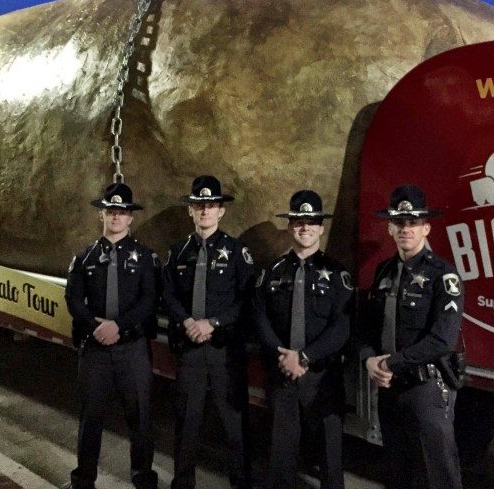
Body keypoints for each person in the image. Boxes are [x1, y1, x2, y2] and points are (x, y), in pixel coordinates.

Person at [359, 184, 465, 489]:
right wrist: (368, 361)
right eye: (400, 223)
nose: (406, 229)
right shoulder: (383, 272)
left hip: (426, 389)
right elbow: (366, 327)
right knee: (397, 469)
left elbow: (442, 340)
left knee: (437, 472)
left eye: (414, 223)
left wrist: (391, 363)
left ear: (426, 228)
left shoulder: (442, 275)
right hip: (389, 388)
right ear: (391, 228)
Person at [254, 190, 352, 489]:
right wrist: (283, 356)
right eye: (298, 221)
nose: (305, 227)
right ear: (289, 226)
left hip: (322, 376)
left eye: (312, 222)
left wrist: (305, 357)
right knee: (280, 453)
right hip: (282, 373)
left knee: (329, 455)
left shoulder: (337, 274)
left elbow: (342, 326)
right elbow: (260, 318)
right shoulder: (270, 272)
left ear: (321, 227)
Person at [64, 182, 159, 489]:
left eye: (122, 212)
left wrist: (120, 327)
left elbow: (149, 301)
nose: (116, 217)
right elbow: (74, 300)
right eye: (111, 211)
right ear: (102, 216)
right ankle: (84, 479)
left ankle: (143, 477)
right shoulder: (85, 257)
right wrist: (95, 327)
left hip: (131, 349)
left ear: (131, 218)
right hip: (95, 350)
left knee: (140, 419)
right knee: (90, 418)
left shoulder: (145, 257)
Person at [162, 175, 254, 489]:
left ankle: (240, 484)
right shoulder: (177, 252)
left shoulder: (237, 250)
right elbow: (168, 295)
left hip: (224, 353)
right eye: (199, 205)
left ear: (221, 211)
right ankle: (183, 483)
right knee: (187, 424)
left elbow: (246, 299)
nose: (205, 211)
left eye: (211, 205)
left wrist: (212, 323)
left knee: (234, 426)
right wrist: (187, 321)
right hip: (189, 351)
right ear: (190, 210)